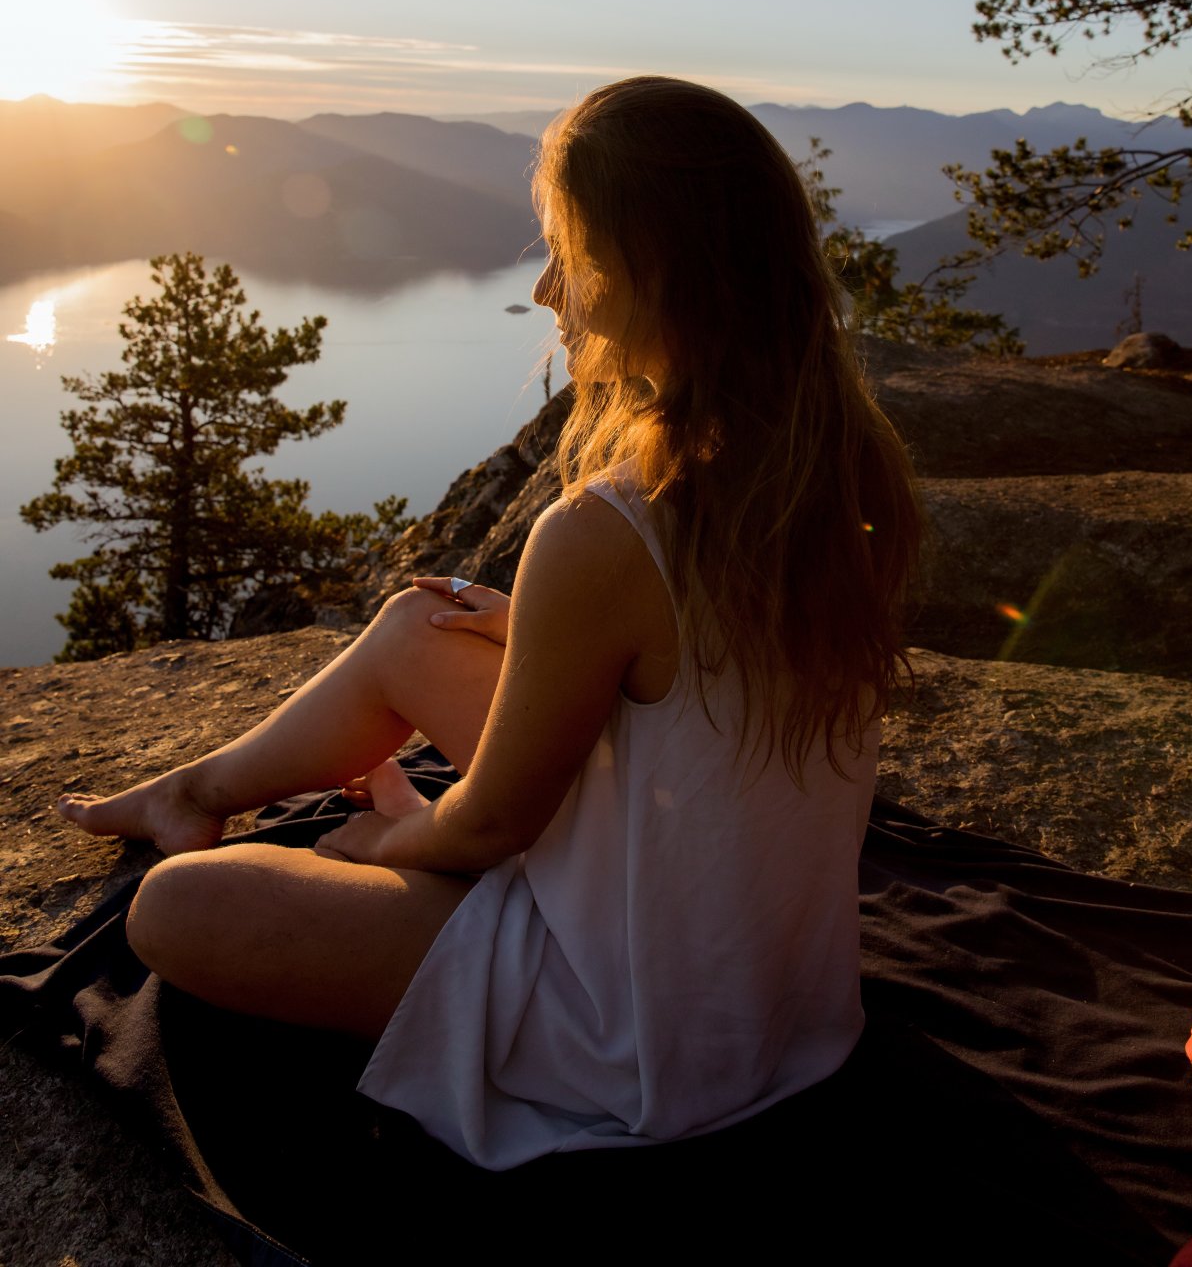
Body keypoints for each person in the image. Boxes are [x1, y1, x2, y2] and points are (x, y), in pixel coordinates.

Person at [56, 75, 922, 1169]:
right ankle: (196, 790)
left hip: (635, 1024)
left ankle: (204, 826)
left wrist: (393, 836)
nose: (551, 290)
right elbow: (709, 686)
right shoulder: (841, 461)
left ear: (653, 266)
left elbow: (487, 827)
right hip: (762, 979)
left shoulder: (609, 528)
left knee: (170, 913)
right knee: (420, 628)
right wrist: (538, 628)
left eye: (570, 252)